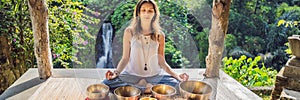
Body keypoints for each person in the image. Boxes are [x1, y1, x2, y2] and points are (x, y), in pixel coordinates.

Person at [103, 0, 189, 93]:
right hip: (132, 75)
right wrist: (116, 73)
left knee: (179, 85)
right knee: (106, 84)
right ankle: (149, 88)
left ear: (155, 14)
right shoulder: (129, 32)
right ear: (138, 13)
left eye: (150, 11)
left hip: (154, 75)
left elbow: (162, 61)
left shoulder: (160, 35)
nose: (146, 13)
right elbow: (125, 58)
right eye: (143, 10)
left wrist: (177, 76)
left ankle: (138, 88)